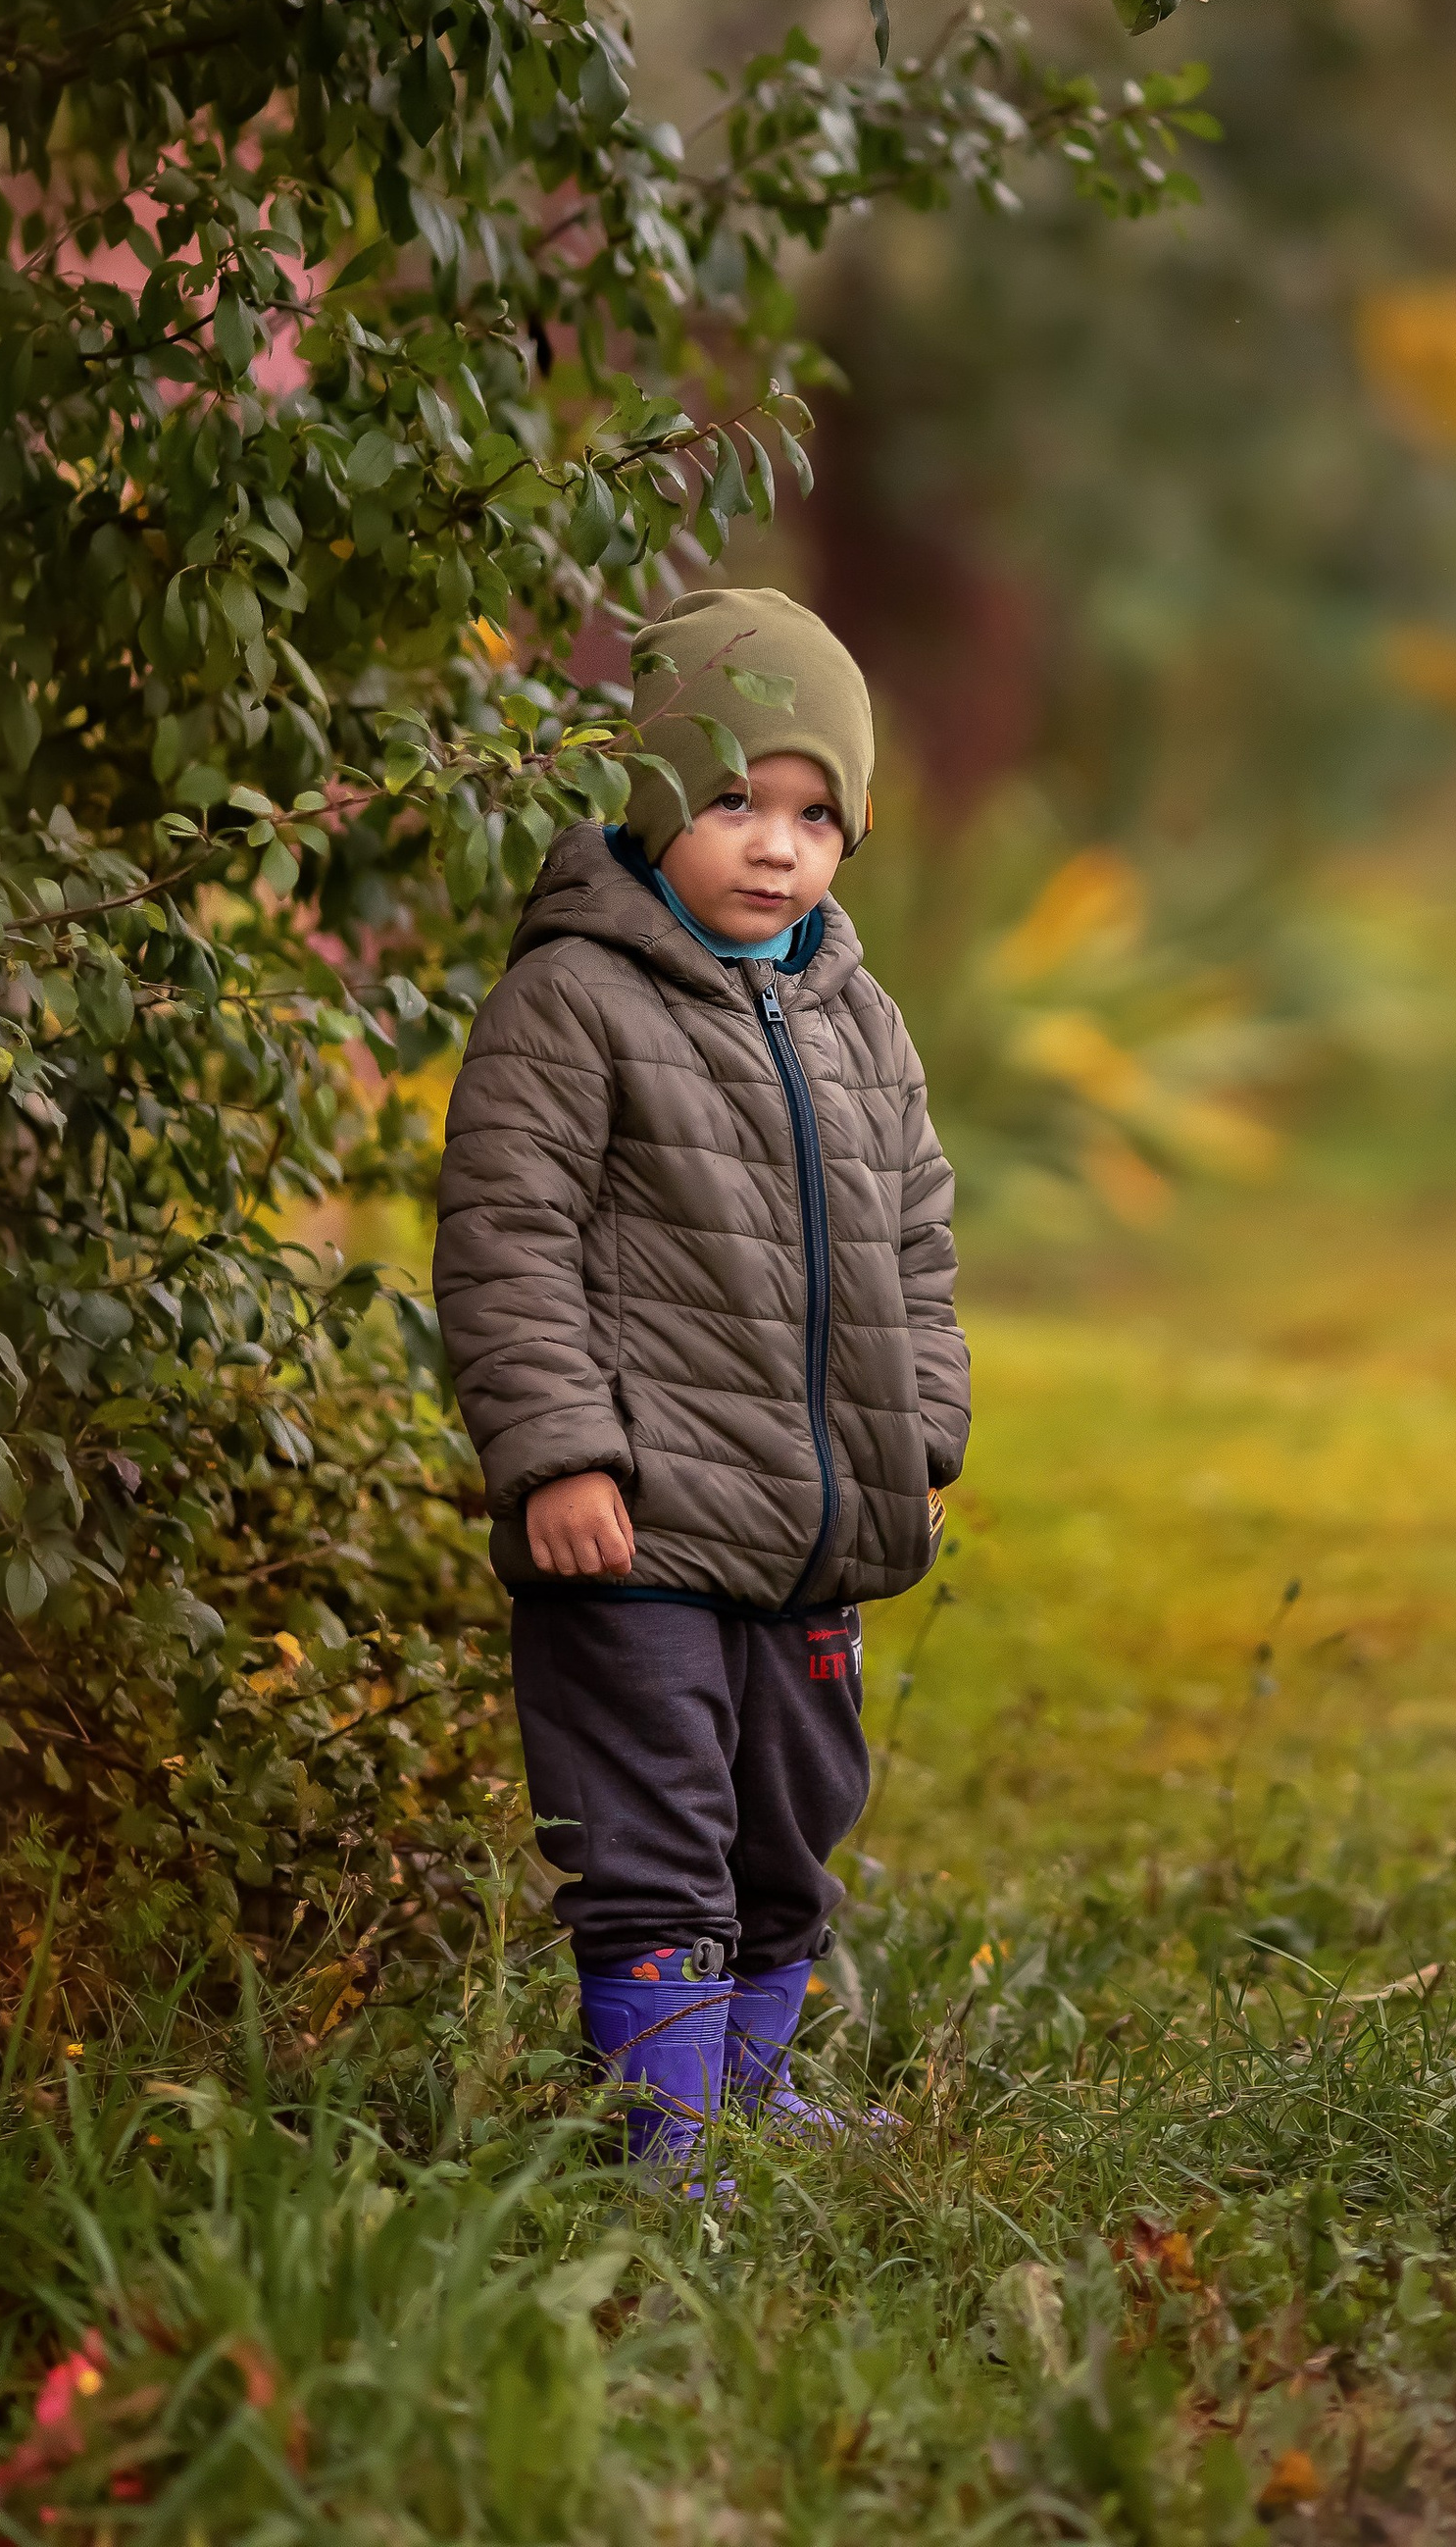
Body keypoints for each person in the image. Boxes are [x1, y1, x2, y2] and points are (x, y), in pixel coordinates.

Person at [432, 586, 967, 2163]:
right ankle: (659, 2140)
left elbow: (918, 1236)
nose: (775, 844)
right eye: (735, 798)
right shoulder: (573, 999)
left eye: (813, 812)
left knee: (791, 1826)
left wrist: (921, 1436)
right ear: (658, 798)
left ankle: (752, 2088)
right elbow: (505, 1235)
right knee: (655, 1828)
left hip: (811, 1538)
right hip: (640, 1530)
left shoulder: (858, 1017)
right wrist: (558, 1452)